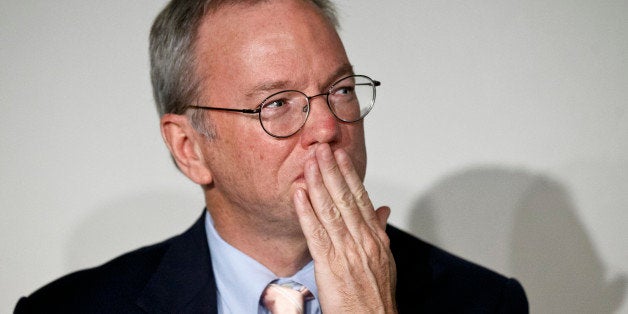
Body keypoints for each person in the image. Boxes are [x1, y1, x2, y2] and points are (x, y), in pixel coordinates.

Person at [15, 0, 528, 313]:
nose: (328, 127)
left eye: (342, 90)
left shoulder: (483, 303)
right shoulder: (66, 310)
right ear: (189, 148)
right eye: (276, 104)